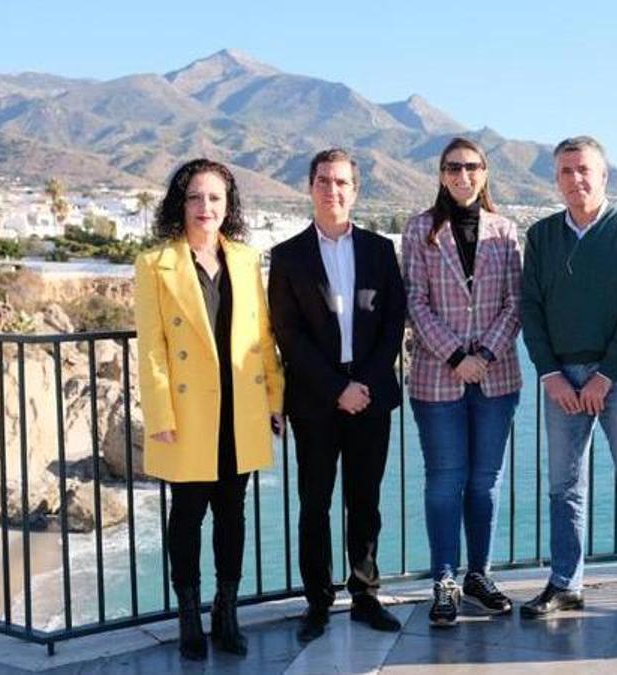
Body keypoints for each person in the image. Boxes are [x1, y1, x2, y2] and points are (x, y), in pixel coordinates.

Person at [134, 158, 284, 660]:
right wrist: (160, 417)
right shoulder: (155, 265)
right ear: (181, 203)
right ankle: (189, 616)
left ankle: (227, 610)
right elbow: (152, 348)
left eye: (215, 198)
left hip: (240, 408)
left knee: (232, 513)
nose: (205, 207)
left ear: (229, 205)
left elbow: (261, 337)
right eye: (195, 197)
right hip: (187, 413)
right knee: (187, 514)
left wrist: (274, 399)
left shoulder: (245, 259)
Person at [519, 136, 617, 635]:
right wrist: (550, 372)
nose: (575, 179)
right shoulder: (540, 237)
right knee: (564, 487)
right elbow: (531, 309)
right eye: (565, 171)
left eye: (584, 170)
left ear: (604, 176)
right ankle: (565, 582)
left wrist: (606, 373)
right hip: (560, 376)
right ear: (555, 179)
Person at [268, 148, 407, 642]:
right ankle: (317, 601)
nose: (333, 190)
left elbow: (394, 324)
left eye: (342, 182)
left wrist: (362, 384)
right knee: (314, 502)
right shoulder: (287, 257)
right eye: (324, 181)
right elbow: (289, 335)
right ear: (310, 187)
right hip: (315, 399)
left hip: (369, 394)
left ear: (356, 189)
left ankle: (366, 594)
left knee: (365, 500)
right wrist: (336, 388)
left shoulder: (379, 250)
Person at [402, 138, 523, 627]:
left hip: (497, 377)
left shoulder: (506, 231)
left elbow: (516, 302)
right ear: (441, 174)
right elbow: (414, 300)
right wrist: (456, 355)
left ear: (485, 173)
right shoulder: (419, 231)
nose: (463, 175)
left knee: (485, 482)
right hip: (438, 377)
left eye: (472, 167)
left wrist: (485, 353)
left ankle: (480, 575)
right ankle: (445, 581)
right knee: (444, 480)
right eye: (453, 167)